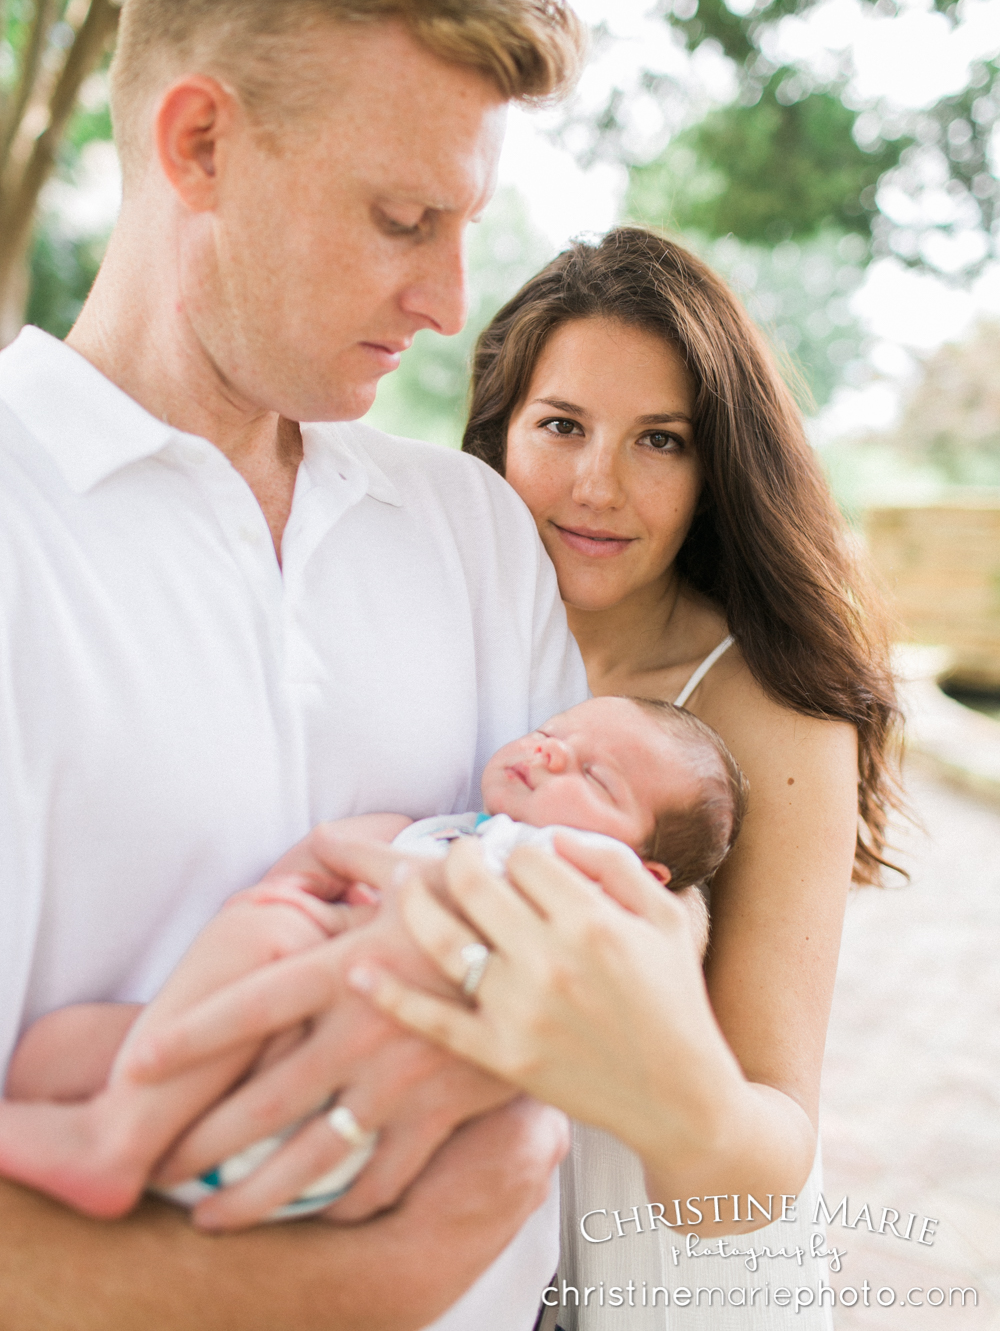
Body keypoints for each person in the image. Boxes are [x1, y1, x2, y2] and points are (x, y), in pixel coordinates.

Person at [0, 0, 592, 1330]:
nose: (454, 303)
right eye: (404, 222)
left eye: (466, 227)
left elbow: (610, 952)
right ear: (198, 143)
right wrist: (364, 1280)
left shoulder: (471, 530)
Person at [149, 228, 901, 1329]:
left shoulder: (769, 709)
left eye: (660, 440)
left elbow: (773, 1133)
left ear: (715, 464)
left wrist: (655, 1070)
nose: (597, 485)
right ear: (496, 436)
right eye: (561, 427)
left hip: (667, 1257)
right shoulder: (438, 622)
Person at [0, 696, 744, 1230]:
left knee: (272, 927)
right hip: (254, 1060)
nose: (550, 752)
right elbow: (325, 852)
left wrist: (298, 910)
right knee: (51, 1050)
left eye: (597, 777)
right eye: (551, 732)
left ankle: (112, 1143)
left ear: (637, 873)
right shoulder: (447, 830)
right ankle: (114, 1133)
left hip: (349, 1108)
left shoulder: (568, 879)